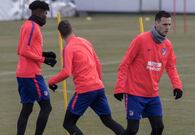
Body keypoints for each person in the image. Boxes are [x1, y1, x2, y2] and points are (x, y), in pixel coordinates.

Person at [48, 20, 124, 135]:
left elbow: (66, 72)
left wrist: (51, 81)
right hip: (98, 88)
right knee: (108, 120)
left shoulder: (68, 49)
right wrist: (97, 81)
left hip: (85, 91)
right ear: (72, 29)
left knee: (68, 123)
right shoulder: (85, 41)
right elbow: (98, 63)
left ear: (60, 35)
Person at [114, 10, 183, 135]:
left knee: (158, 128)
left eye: (169, 24)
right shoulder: (140, 39)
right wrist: (119, 88)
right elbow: (124, 64)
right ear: (156, 23)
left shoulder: (167, 45)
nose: (167, 27)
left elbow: (171, 67)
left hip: (152, 94)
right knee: (132, 130)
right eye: (164, 24)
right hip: (134, 93)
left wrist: (177, 86)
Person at [16, 1, 57, 135]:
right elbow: (23, 51)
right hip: (31, 75)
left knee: (27, 109)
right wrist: (44, 59)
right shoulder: (32, 27)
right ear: (39, 12)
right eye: (45, 13)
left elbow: (21, 50)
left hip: (22, 74)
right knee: (46, 107)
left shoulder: (25, 25)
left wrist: (44, 53)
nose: (45, 16)